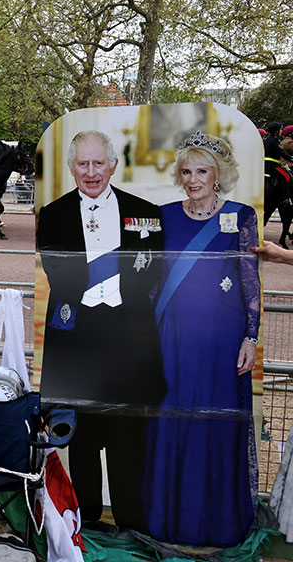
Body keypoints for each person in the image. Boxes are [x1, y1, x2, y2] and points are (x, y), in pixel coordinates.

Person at [36, 130, 165, 532]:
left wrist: (110, 282)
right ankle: (86, 521)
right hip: (79, 342)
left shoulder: (146, 213)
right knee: (84, 438)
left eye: (98, 163)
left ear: (112, 165)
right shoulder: (53, 215)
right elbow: (60, 276)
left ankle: (132, 524)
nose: (91, 172)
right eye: (83, 164)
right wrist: (111, 275)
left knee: (128, 439)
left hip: (129, 339)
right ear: (72, 168)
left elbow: (152, 274)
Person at [143, 132, 259, 547]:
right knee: (172, 422)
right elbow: (153, 283)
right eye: (186, 171)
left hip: (220, 343)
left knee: (214, 426)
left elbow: (250, 279)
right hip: (172, 340)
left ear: (218, 175)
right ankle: (168, 520)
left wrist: (251, 335)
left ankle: (214, 523)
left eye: (202, 171)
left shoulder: (242, 216)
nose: (193, 179)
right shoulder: (164, 215)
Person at [265, 121, 293, 207]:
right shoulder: (274, 140)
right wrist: (291, 158)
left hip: (270, 164)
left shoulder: (269, 139)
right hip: (272, 165)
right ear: (276, 131)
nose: (281, 131)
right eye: (280, 129)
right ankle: (286, 199)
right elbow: (280, 152)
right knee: (287, 177)